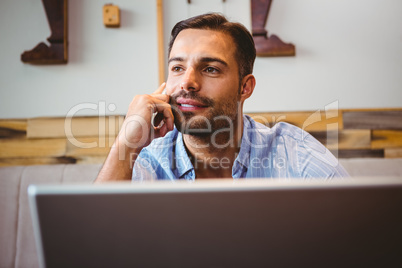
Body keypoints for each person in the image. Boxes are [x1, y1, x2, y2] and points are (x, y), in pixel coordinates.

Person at [95, 13, 348, 182]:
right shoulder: (143, 161)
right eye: (177, 68)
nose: (187, 82)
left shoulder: (297, 158)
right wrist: (125, 143)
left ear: (244, 87)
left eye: (210, 69)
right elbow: (91, 246)